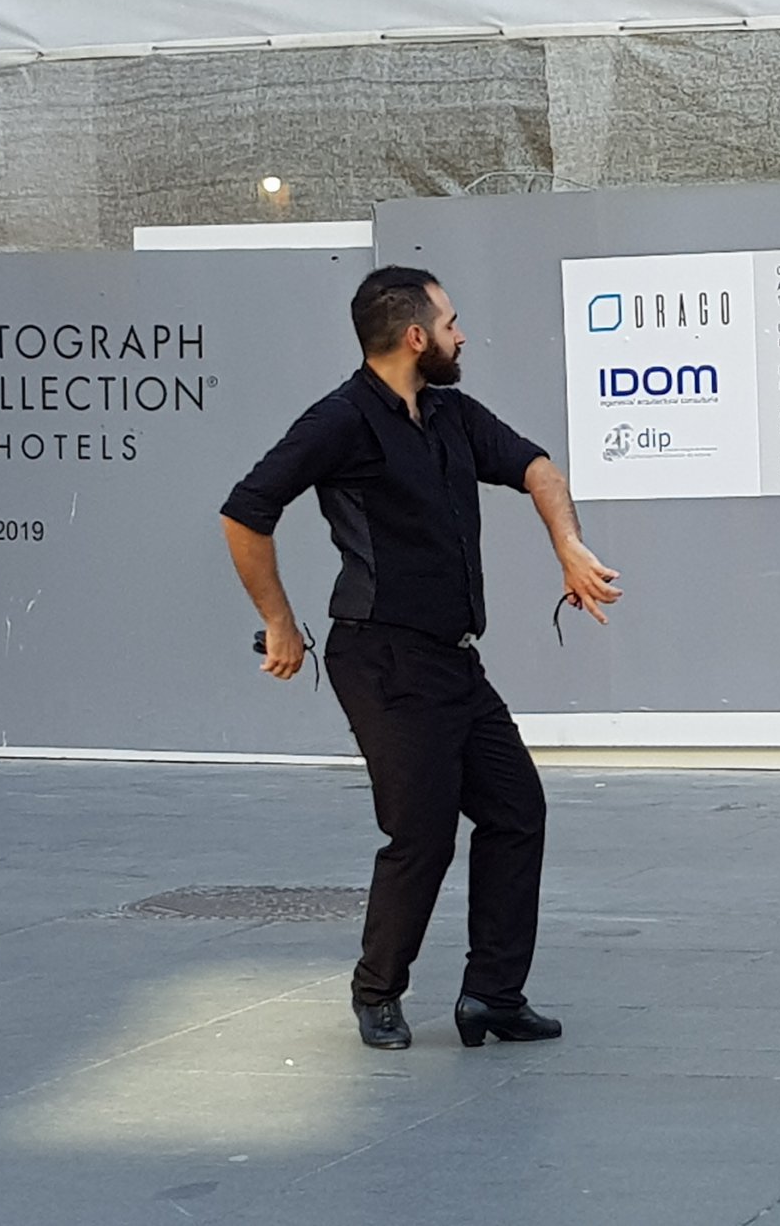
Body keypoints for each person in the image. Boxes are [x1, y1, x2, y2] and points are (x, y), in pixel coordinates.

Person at [220, 266, 622, 1051]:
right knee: (423, 832)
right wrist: (278, 621)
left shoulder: (449, 414)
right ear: (415, 336)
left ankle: (492, 997)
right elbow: (245, 512)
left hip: (453, 660)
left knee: (516, 811)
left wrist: (568, 547)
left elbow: (537, 469)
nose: (461, 335)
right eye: (450, 322)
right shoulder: (339, 421)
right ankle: (377, 991)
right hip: (382, 660)